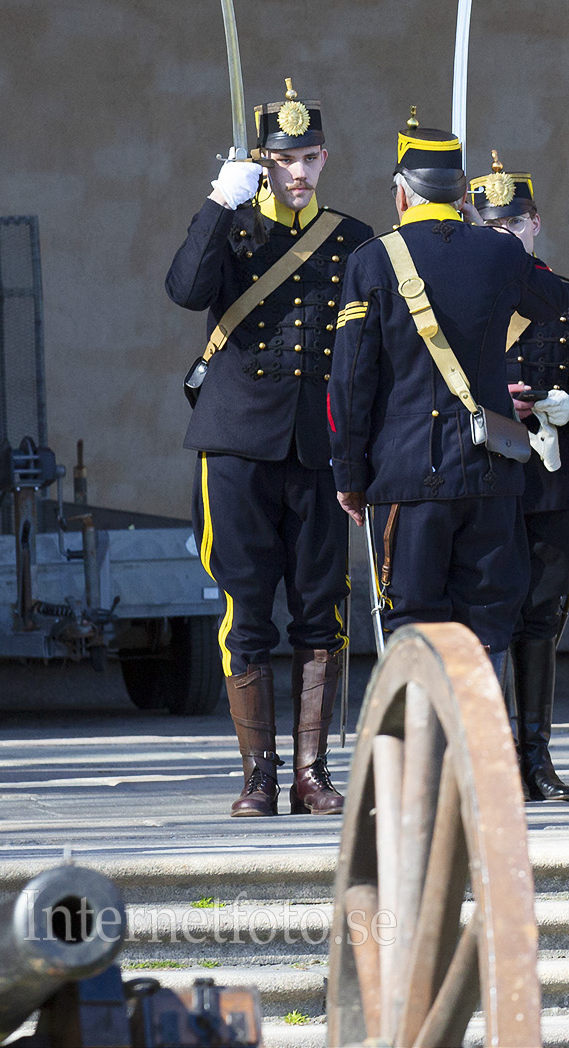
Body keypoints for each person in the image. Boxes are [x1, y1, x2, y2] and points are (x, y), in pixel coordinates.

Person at [166, 80, 372, 819]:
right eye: (283, 160)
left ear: (324, 158)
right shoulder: (233, 228)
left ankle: (311, 775)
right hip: (238, 443)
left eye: (309, 158)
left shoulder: (353, 240)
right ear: (261, 161)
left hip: (320, 448)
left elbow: (371, 351)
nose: (298, 173)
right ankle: (257, 776)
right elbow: (187, 290)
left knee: (323, 611)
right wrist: (219, 203)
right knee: (245, 608)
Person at [329, 112, 554, 668]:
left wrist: (350, 479)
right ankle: (479, 752)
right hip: (489, 474)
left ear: (402, 196)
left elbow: (350, 383)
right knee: (486, 626)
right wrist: (486, 232)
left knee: (412, 625)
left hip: (406, 479)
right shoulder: (501, 253)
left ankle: (424, 754)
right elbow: (553, 305)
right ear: (459, 193)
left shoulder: (374, 259)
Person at [470, 154, 569, 801]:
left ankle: (537, 758)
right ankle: (494, 759)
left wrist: (567, 407)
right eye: (490, 229)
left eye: (515, 226)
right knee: (486, 618)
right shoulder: (461, 298)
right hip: (482, 477)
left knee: (541, 621)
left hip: (551, 480)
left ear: (535, 225)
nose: (505, 238)